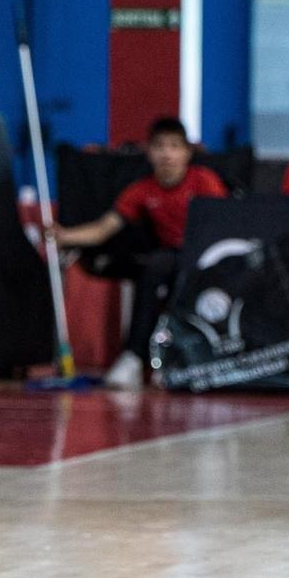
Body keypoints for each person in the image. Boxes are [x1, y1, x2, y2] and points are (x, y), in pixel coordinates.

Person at [50, 117, 227, 390]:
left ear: (187, 152)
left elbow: (224, 227)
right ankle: (134, 356)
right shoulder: (141, 190)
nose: (167, 154)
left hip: (207, 258)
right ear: (149, 151)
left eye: (174, 146)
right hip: (169, 258)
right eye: (160, 146)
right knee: (153, 267)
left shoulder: (205, 182)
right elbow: (103, 229)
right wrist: (63, 236)